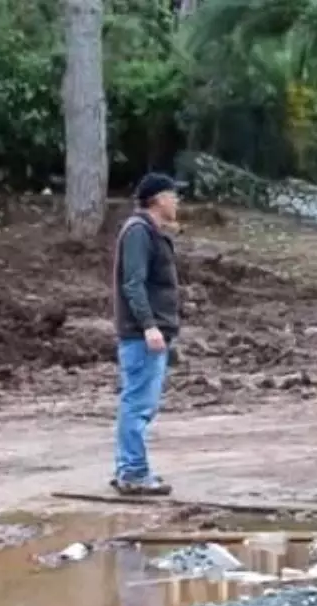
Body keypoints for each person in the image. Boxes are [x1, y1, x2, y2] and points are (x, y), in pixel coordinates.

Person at [110, 172, 187, 496]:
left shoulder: (148, 231)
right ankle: (133, 473)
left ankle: (128, 468)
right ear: (158, 199)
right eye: (173, 195)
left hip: (147, 332)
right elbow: (133, 283)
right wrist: (149, 326)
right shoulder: (140, 232)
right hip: (142, 335)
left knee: (138, 402)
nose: (177, 201)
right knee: (138, 404)